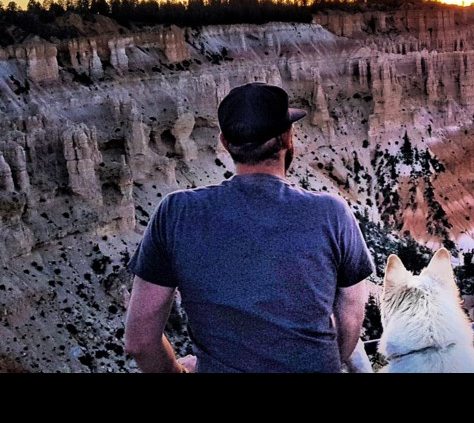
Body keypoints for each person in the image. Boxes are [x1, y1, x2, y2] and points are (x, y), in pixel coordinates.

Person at [124, 82, 374, 372]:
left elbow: (139, 342)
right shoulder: (333, 213)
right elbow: (352, 315)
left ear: (225, 143)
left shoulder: (176, 213)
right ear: (286, 138)